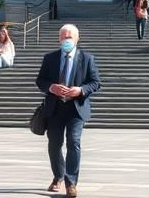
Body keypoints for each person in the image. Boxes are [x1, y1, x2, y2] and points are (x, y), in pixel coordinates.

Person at [35, 24, 102, 198]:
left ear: (77, 39)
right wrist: (51, 87)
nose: (66, 40)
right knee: (54, 144)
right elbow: (40, 80)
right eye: (63, 37)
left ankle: (71, 182)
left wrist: (80, 90)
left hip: (76, 109)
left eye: (69, 37)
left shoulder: (87, 58)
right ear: (59, 39)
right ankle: (58, 176)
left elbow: (95, 83)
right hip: (55, 108)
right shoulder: (50, 58)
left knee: (74, 142)